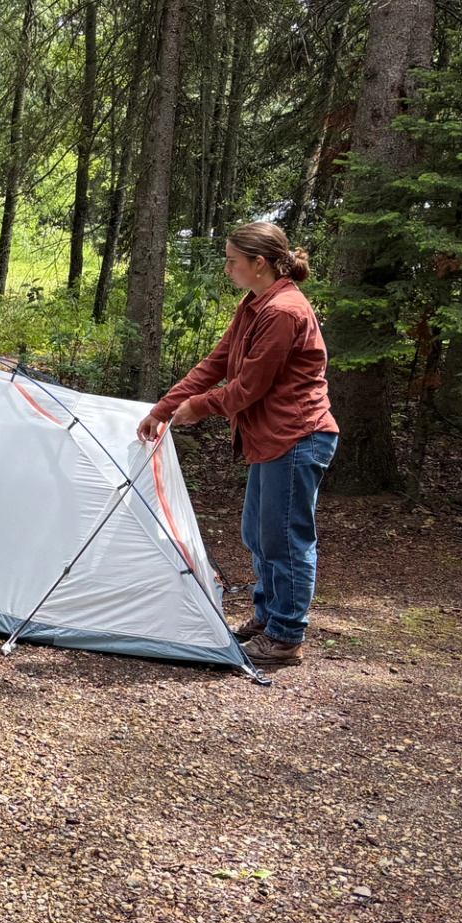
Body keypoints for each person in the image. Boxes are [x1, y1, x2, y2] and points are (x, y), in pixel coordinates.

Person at [138, 221, 338, 666]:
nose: (227, 268)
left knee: (286, 541)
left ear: (259, 263)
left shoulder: (284, 311)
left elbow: (248, 387)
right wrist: (164, 408)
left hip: (298, 436)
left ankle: (286, 637)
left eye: (233, 261)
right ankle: (269, 619)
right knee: (259, 535)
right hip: (272, 439)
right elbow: (216, 363)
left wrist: (198, 408)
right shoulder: (254, 305)